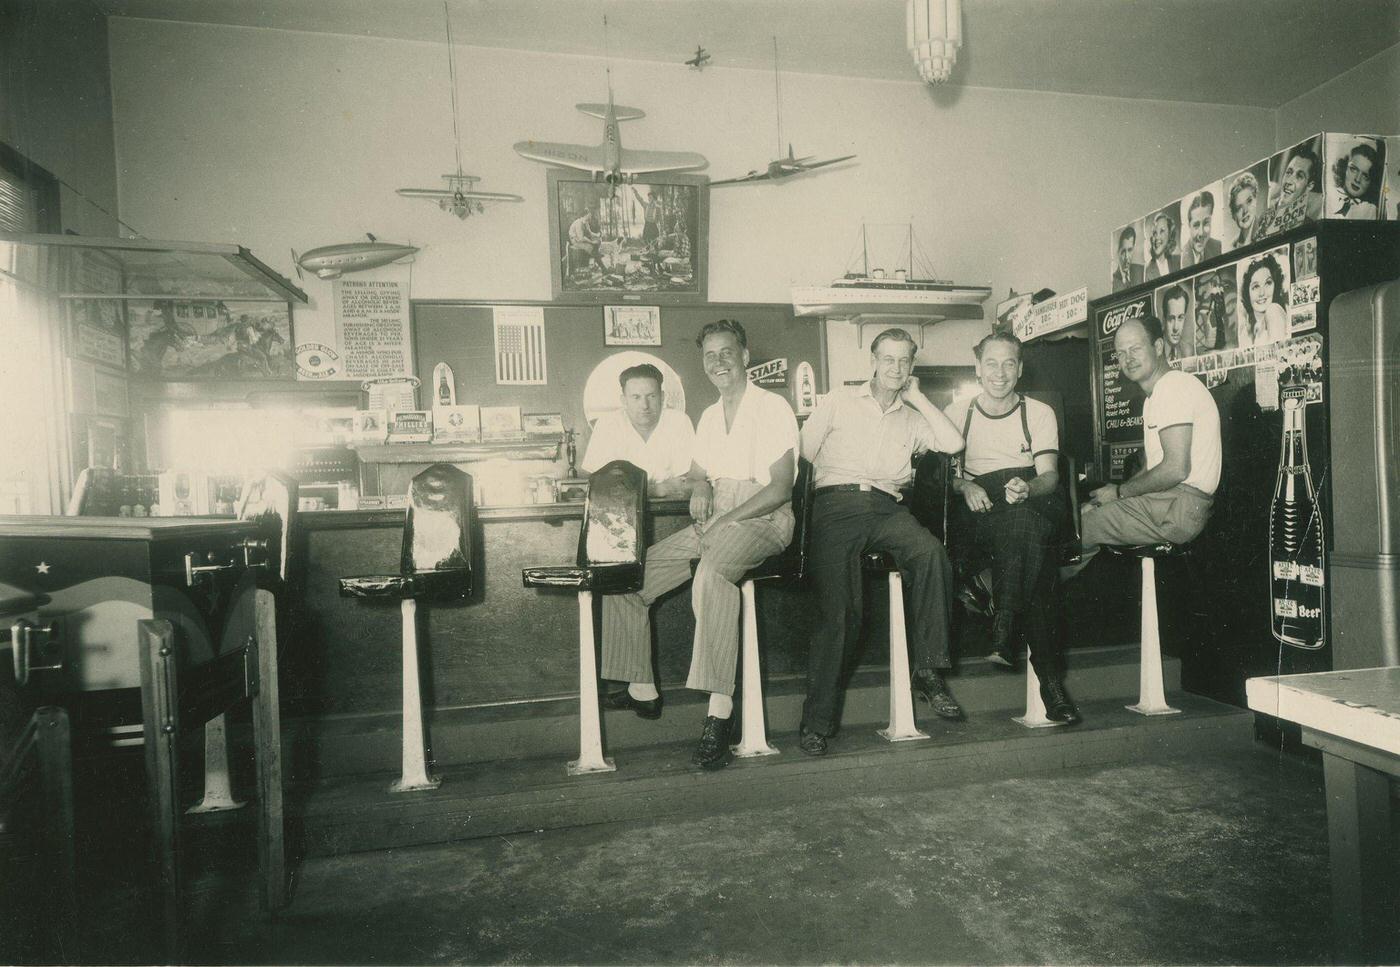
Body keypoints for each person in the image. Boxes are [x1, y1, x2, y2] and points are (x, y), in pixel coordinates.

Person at [600, 319, 798, 771]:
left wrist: (725, 515)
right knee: (628, 577)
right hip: (717, 517)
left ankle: (719, 713)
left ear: (745, 356)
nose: (719, 362)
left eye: (727, 352)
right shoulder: (709, 415)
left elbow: (781, 488)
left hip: (762, 517)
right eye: (710, 355)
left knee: (711, 574)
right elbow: (696, 470)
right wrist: (701, 484)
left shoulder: (772, 408)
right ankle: (641, 687)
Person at [798, 328, 966, 755]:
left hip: (888, 508)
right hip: (835, 505)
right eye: (887, 359)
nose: (895, 367)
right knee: (841, 612)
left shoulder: (913, 417)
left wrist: (921, 399)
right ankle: (816, 722)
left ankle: (927, 670)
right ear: (872, 360)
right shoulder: (837, 400)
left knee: (931, 553)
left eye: (904, 360)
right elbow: (802, 455)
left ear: (912, 367)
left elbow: (954, 442)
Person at [943, 333, 1080, 724]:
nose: (999, 373)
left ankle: (1004, 628)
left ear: (1020, 370)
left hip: (1028, 499)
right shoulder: (957, 413)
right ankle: (1052, 686)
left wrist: (1027, 487)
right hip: (979, 506)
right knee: (1036, 567)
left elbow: (1050, 476)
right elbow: (944, 478)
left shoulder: (1038, 412)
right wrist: (964, 485)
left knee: (1025, 526)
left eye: (1008, 364)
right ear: (977, 368)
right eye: (991, 363)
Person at [1064, 314, 1220, 577]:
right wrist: (1114, 494)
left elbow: (1175, 469)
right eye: (1121, 353)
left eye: (1135, 348)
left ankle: (1037, 605)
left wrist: (1120, 493)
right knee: (1083, 516)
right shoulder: (1156, 396)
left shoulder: (1173, 386)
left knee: (1081, 527)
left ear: (1158, 347)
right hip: (1172, 503)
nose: (1128, 358)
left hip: (1179, 506)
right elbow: (1153, 466)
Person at [581, 363, 695, 497]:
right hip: (621, 509)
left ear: (662, 397)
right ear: (624, 400)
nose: (644, 405)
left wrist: (634, 490)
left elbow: (687, 480)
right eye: (636, 397)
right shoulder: (608, 424)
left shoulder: (678, 421)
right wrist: (656, 490)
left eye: (651, 396)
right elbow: (599, 483)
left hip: (669, 508)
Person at [1240, 255, 1288, 347]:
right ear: (1247, 292)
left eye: (1268, 283)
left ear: (1275, 285)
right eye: (1256, 286)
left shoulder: (1273, 310)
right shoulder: (1255, 326)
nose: (1262, 293)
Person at [1327, 141, 1382, 220]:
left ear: (1371, 182)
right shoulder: (1328, 195)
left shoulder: (1371, 211)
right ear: (1345, 167)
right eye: (1353, 169)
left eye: (1365, 175)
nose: (1357, 179)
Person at [1181, 191, 1222, 268]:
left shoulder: (1219, 247)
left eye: (1206, 223)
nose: (1201, 233)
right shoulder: (1182, 256)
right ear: (1189, 226)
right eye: (1196, 225)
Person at [1227, 172, 1261, 250]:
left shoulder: (1267, 232)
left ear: (1256, 200)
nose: (1245, 211)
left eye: (1249, 201)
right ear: (1233, 215)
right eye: (1239, 208)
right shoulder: (1232, 246)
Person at [1160, 284, 1193, 363]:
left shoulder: (1188, 351)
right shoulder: (1155, 352)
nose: (1176, 328)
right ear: (1164, 319)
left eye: (1180, 318)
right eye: (1171, 319)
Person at [1144, 211, 1180, 281]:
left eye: (1162, 231)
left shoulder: (1179, 261)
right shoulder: (1146, 272)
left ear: (1169, 235)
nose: (1157, 237)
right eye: (1155, 233)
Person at [1112, 226, 1144, 291]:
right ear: (1118, 252)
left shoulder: (1141, 271)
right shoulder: (1112, 281)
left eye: (1130, 250)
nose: (1127, 257)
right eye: (1123, 251)